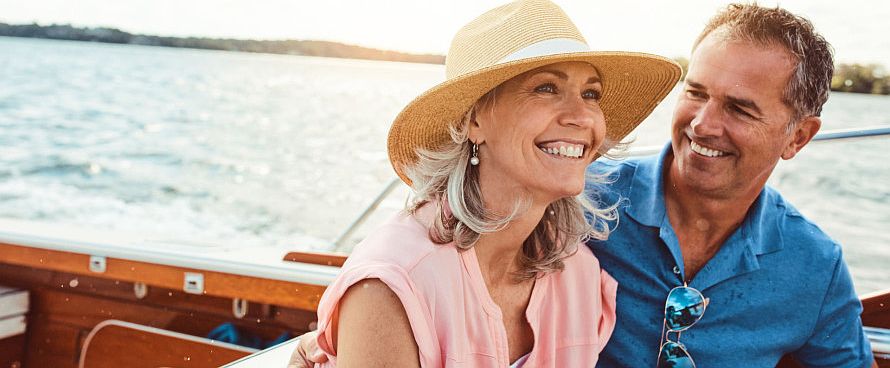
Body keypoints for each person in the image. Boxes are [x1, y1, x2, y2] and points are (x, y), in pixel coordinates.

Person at [291, 0, 680, 367]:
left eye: (591, 94)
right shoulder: (394, 283)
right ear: (473, 122)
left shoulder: (578, 275)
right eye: (546, 88)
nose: (582, 116)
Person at [587, 3, 876, 367]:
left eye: (739, 109)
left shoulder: (814, 265)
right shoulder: (582, 201)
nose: (703, 124)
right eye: (696, 93)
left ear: (798, 137)